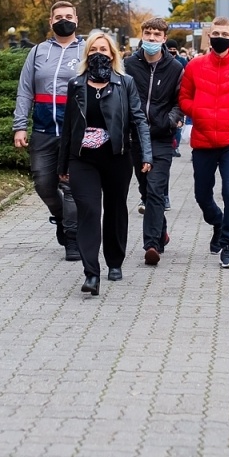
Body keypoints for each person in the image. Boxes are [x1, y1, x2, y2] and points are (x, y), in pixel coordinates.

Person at [59, 31, 152, 295]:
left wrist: (146, 154)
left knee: (114, 209)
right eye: (93, 49)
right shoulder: (76, 85)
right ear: (87, 54)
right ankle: (91, 273)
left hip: (116, 157)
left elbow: (138, 120)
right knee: (88, 210)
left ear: (113, 54)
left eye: (104, 49)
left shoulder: (126, 83)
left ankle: (114, 261)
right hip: (82, 159)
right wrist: (62, 164)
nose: (99, 53)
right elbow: (68, 127)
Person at [178, 17, 229, 270]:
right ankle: (217, 221)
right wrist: (199, 113)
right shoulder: (194, 66)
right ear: (209, 36)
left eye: (225, 33)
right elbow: (184, 97)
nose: (220, 36)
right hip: (203, 139)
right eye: (216, 32)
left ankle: (228, 246)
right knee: (202, 194)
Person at [13, 1, 86, 261]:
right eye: (58, 17)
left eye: (68, 16)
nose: (63, 20)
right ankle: (59, 216)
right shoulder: (38, 52)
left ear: (76, 19)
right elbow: (25, 90)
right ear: (50, 21)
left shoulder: (86, 50)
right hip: (43, 129)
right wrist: (20, 125)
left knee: (69, 186)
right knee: (44, 184)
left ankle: (72, 239)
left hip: (76, 132)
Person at [123, 18, 182, 265]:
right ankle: (161, 230)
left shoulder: (175, 67)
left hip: (160, 136)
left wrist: (170, 120)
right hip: (135, 137)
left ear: (164, 39)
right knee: (146, 189)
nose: (151, 38)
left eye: (157, 35)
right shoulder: (128, 65)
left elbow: (181, 101)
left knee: (157, 188)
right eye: (148, 33)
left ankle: (152, 244)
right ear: (142, 36)